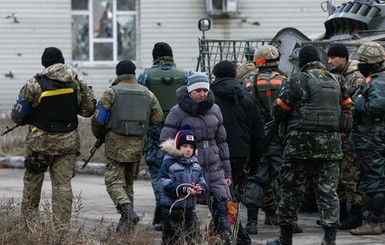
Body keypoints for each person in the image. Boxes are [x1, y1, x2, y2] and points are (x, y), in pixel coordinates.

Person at [266, 44, 353, 245]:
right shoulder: (337, 80)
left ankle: (285, 239)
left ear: (302, 62)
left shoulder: (296, 80)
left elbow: (278, 111)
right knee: (328, 194)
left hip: (299, 148)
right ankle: (329, 240)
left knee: (291, 191)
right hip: (331, 148)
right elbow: (349, 108)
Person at [11, 47, 97, 228]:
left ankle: (29, 228)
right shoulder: (77, 82)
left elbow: (16, 115)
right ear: (62, 61)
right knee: (63, 187)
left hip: (39, 145)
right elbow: (88, 110)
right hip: (67, 144)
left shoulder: (34, 84)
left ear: (44, 63)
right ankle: (61, 230)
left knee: (32, 185)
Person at [159, 71, 236, 245]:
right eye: (198, 90)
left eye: (205, 90)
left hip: (215, 164)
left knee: (220, 203)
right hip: (190, 167)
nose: (202, 94)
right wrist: (182, 155)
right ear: (189, 91)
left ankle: (227, 235)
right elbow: (166, 141)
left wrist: (227, 173)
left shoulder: (215, 109)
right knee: (186, 210)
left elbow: (222, 142)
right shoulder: (177, 112)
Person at [91, 60, 163, 232]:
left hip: (115, 143)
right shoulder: (147, 93)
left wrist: (100, 134)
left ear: (118, 74)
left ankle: (126, 211)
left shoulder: (111, 92)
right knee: (128, 183)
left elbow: (98, 119)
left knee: (113, 182)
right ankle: (127, 222)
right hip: (138, 144)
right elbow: (157, 117)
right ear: (133, 73)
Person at [243, 44, 304, 234]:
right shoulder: (287, 81)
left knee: (255, 179)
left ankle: (252, 222)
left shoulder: (248, 83)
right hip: (281, 138)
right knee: (285, 179)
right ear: (276, 60)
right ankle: (288, 221)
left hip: (259, 139)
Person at [210, 60, 265, 244]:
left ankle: (238, 235)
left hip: (216, 154)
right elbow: (258, 134)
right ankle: (230, 232)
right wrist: (254, 163)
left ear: (216, 76)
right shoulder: (248, 98)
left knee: (221, 196)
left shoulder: (209, 97)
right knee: (229, 194)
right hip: (241, 155)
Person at [138, 42, 186, 231]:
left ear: (154, 56)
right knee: (182, 170)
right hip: (180, 132)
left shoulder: (145, 76)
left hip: (155, 132)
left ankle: (162, 208)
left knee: (158, 172)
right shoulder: (185, 76)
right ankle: (179, 211)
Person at [327, 43, 365, 230]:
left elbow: (354, 106)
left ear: (343, 58)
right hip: (339, 134)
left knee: (350, 176)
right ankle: (340, 214)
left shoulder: (355, 78)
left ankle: (356, 215)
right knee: (338, 176)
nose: (330, 61)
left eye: (333, 57)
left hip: (350, 135)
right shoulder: (337, 76)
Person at [349, 41, 385, 235]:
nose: (359, 64)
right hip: (375, 138)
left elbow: (377, 107)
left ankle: (373, 222)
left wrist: (359, 101)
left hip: (373, 139)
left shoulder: (378, 82)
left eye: (362, 61)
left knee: (374, 181)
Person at [159, 124, 208, 245]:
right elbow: (165, 184)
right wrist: (184, 189)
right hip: (172, 210)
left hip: (189, 209)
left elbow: (202, 180)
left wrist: (199, 189)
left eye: (191, 147)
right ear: (178, 146)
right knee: (171, 240)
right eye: (185, 146)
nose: (188, 149)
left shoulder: (195, 164)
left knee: (193, 238)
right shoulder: (169, 163)